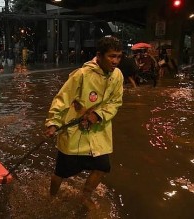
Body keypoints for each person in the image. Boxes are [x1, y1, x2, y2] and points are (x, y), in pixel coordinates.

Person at [45, 36, 123, 210]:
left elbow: (116, 102)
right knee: (61, 172)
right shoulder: (81, 75)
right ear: (99, 55)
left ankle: (84, 196)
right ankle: (51, 197)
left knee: (103, 167)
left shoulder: (118, 75)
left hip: (98, 132)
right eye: (111, 56)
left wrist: (98, 114)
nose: (115, 61)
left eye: (118, 56)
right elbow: (62, 99)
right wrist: (53, 122)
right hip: (75, 132)